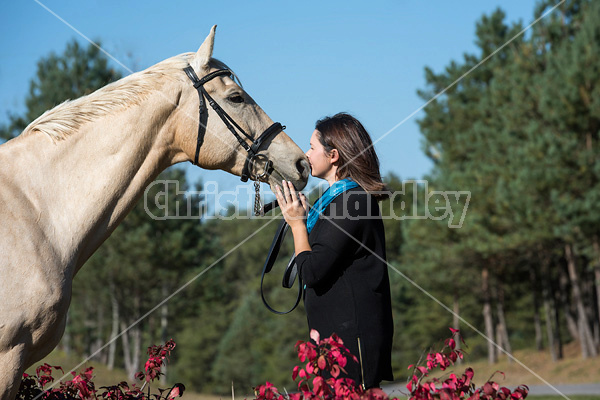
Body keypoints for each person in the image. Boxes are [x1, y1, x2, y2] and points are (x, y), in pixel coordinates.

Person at [275, 112, 394, 389]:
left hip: (352, 340)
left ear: (333, 155)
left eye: (312, 147)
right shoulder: (336, 202)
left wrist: (296, 225)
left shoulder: (352, 202)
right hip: (338, 338)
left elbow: (312, 270)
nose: (306, 153)